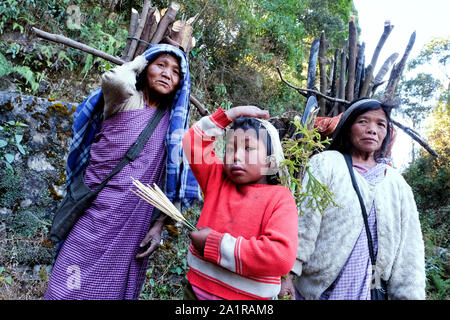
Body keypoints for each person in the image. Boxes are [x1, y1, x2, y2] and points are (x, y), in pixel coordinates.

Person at [44, 44, 200, 300]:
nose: (166, 74)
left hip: (132, 226)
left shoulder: (174, 129)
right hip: (94, 212)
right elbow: (115, 78)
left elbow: (173, 182)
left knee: (110, 290)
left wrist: (159, 226)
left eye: (175, 72)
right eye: (159, 65)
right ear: (146, 66)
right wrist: (140, 61)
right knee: (64, 287)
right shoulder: (125, 100)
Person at [283, 98, 426, 300]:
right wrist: (287, 274)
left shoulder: (397, 184)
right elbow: (305, 223)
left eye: (380, 124)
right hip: (322, 289)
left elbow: (409, 250)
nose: (372, 129)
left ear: (386, 134)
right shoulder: (326, 163)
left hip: (372, 289)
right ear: (348, 127)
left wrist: (409, 296)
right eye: (363, 122)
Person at [181, 106, 298, 300]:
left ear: (270, 161)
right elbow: (192, 141)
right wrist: (230, 115)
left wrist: (214, 245)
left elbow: (280, 256)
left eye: (248, 148)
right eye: (230, 148)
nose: (236, 156)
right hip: (194, 292)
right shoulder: (217, 178)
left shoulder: (280, 198)